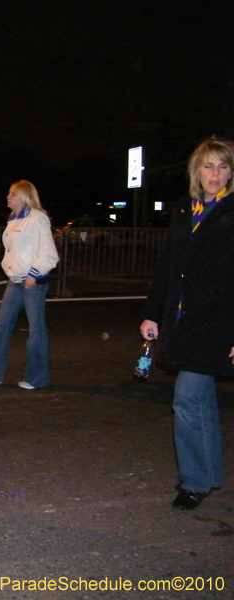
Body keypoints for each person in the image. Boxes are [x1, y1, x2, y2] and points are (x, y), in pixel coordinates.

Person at [140, 136, 234, 511]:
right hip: (181, 321)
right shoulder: (184, 210)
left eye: (223, 166)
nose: (215, 173)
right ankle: (208, 476)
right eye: (208, 165)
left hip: (216, 321)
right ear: (196, 170)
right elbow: (167, 268)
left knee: (186, 399)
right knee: (201, 402)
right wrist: (151, 311)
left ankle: (194, 481)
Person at [0, 180, 59, 389]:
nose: (8, 197)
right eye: (9, 193)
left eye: (13, 194)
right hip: (15, 280)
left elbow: (48, 252)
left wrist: (34, 274)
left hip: (31, 282)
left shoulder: (37, 218)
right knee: (1, 326)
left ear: (25, 197)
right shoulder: (14, 219)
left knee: (36, 330)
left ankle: (37, 378)